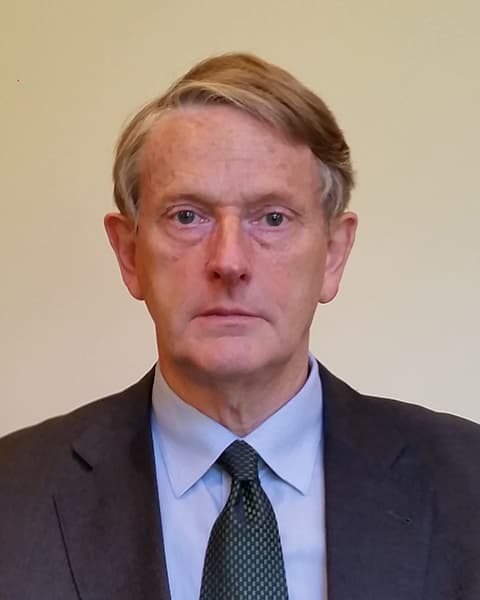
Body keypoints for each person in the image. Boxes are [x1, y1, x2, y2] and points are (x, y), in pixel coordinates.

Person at [0, 53, 479, 600]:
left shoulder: (468, 482)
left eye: (272, 218)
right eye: (187, 216)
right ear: (130, 254)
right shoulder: (13, 495)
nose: (229, 261)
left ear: (333, 254)